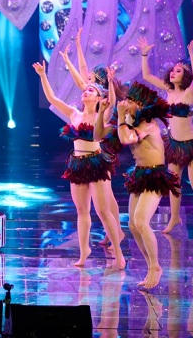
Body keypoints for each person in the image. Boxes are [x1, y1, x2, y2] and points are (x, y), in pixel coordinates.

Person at [33, 61, 125, 269]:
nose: (85, 91)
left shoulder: (102, 114)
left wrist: (110, 83)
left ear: (99, 98)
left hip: (96, 163)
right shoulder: (74, 113)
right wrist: (43, 75)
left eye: (91, 90)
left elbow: (111, 102)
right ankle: (84, 253)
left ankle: (118, 254)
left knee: (103, 211)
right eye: (85, 90)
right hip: (77, 163)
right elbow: (52, 99)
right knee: (82, 211)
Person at [139, 37, 193, 237]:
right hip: (174, 145)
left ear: (185, 76)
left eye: (178, 71)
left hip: (192, 145)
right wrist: (144, 54)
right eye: (172, 70)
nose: (173, 72)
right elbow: (147, 75)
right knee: (174, 183)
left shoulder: (189, 93)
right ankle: (174, 218)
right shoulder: (168, 91)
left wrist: (191, 54)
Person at [116, 82, 179, 290]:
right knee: (133, 225)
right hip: (140, 174)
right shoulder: (133, 121)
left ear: (141, 105)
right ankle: (151, 266)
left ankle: (155, 267)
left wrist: (121, 116)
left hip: (155, 175)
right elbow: (122, 134)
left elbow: (126, 139)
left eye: (131, 101)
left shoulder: (149, 124)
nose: (126, 104)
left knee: (141, 221)